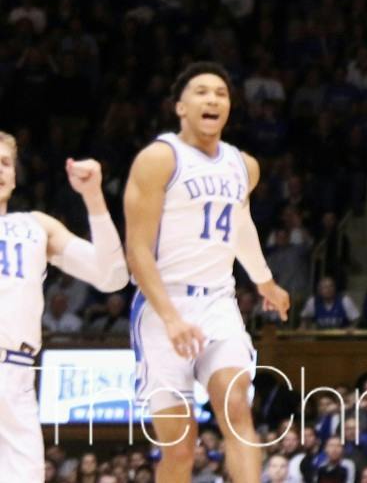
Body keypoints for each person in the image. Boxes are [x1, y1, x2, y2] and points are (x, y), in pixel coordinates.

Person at [122, 62, 291, 483]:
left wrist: (265, 281)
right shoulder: (159, 159)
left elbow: (241, 226)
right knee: (180, 449)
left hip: (218, 301)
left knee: (237, 409)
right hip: (163, 308)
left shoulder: (243, 166)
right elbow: (137, 251)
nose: (212, 99)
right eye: (200, 92)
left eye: (221, 93)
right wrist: (171, 317)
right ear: (180, 106)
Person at [0, 132, 127, 479]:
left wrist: (93, 197)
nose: (0, 170)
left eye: (5, 163)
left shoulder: (36, 227)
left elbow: (112, 277)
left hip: (16, 374)